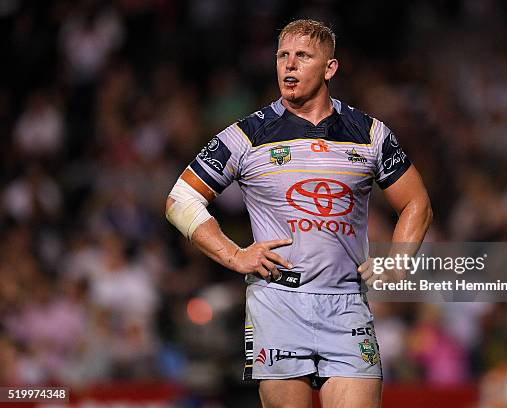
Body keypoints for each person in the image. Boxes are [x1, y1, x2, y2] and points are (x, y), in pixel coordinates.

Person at [165, 19, 432, 408]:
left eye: (302, 56)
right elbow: (180, 199)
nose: (289, 65)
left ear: (329, 68)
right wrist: (234, 255)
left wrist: (398, 264)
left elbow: (417, 202)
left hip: (347, 304)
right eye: (282, 56)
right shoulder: (247, 135)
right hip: (278, 303)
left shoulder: (370, 134)